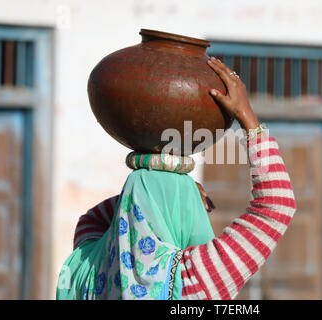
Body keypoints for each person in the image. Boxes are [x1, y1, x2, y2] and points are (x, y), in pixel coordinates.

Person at [57, 57, 296, 300]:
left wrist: (143, 196)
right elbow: (278, 206)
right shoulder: (193, 280)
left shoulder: (86, 270)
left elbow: (91, 220)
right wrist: (247, 118)